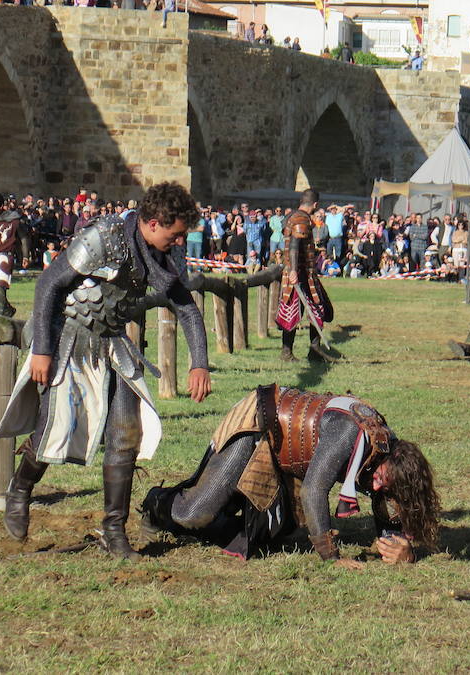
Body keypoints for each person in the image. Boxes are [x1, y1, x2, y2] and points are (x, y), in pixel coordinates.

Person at [0, 182, 212, 559]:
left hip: (111, 343)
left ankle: (115, 532)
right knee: (54, 429)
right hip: (66, 339)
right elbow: (50, 285)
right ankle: (20, 491)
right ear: (154, 222)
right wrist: (42, 349)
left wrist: (199, 364)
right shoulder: (104, 237)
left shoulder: (162, 258)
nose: (178, 243)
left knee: (126, 434)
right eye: (175, 235)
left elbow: (187, 308)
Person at [140, 384, 440, 566]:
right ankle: (157, 502)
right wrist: (330, 557)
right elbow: (313, 490)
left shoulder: (389, 457)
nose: (375, 486)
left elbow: (389, 511)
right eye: (380, 480)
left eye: (385, 486)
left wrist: (404, 551)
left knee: (265, 539)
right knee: (194, 513)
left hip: (288, 457)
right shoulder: (351, 433)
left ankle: (228, 503)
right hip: (258, 423)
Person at [275, 188, 335, 362]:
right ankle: (292, 353)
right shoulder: (301, 218)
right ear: (315, 205)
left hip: (301, 272)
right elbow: (294, 245)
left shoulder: (292, 216)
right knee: (302, 310)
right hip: (300, 272)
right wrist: (294, 269)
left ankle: (312, 351)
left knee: (314, 308)